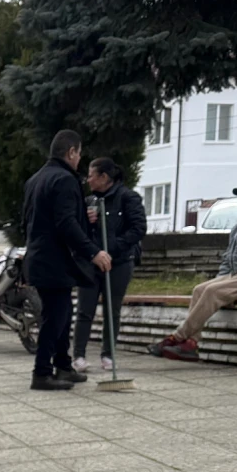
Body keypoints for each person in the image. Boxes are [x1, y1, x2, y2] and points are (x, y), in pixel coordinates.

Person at [148, 181, 237, 361]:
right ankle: (191, 344)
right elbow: (229, 258)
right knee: (200, 289)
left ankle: (176, 338)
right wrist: (222, 279)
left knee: (212, 291)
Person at [22, 130, 111, 391]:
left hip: (38, 256)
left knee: (62, 312)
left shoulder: (36, 179)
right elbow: (65, 223)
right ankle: (41, 372)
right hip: (54, 260)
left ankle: (63, 365)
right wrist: (93, 252)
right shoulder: (65, 179)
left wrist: (82, 217)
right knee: (56, 316)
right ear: (71, 152)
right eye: (79, 153)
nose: (79, 158)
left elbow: (35, 219)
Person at [72, 157, 145, 374]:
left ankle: (108, 354)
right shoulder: (88, 201)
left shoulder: (128, 198)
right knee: (85, 309)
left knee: (112, 309)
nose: (88, 180)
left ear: (104, 177)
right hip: (91, 261)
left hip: (119, 262)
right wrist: (85, 221)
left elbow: (138, 228)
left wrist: (113, 248)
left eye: (91, 176)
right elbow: (76, 230)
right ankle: (78, 355)